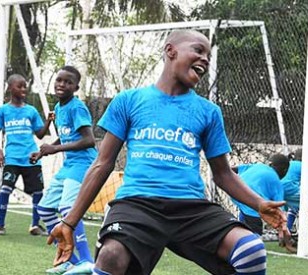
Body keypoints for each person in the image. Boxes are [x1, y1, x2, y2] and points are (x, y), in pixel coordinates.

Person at [47, 30, 289, 275]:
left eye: (208, 55)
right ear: (170, 51)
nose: (205, 58)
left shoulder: (208, 112)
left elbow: (224, 174)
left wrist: (258, 203)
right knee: (111, 256)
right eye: (198, 50)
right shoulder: (129, 101)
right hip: (136, 204)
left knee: (251, 250)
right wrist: (70, 221)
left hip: (191, 207)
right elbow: (102, 163)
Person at [32, 66, 97, 274]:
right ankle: (72, 261)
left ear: (76, 87)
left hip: (83, 164)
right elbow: (68, 136)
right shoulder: (58, 109)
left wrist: (55, 148)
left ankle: (87, 260)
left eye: (68, 82)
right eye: (59, 80)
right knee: (44, 209)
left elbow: (88, 140)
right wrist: (45, 151)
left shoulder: (77, 108)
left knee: (68, 208)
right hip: (69, 165)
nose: (62, 84)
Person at [0, 74, 53, 236]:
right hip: (12, 158)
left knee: (38, 192)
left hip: (31, 158)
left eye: (25, 86)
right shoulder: (3, 110)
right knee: (5, 189)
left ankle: (35, 225)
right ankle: (0, 225)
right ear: (11, 88)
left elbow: (40, 134)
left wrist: (48, 122)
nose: (23, 89)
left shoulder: (31, 111)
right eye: (20, 86)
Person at [231, 154, 289, 235]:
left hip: (237, 192)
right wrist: (282, 232)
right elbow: (279, 209)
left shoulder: (258, 166)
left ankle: (242, 230)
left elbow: (233, 169)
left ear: (270, 164)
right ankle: (253, 239)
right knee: (255, 227)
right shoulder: (276, 181)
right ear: (285, 171)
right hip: (250, 201)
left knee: (246, 210)